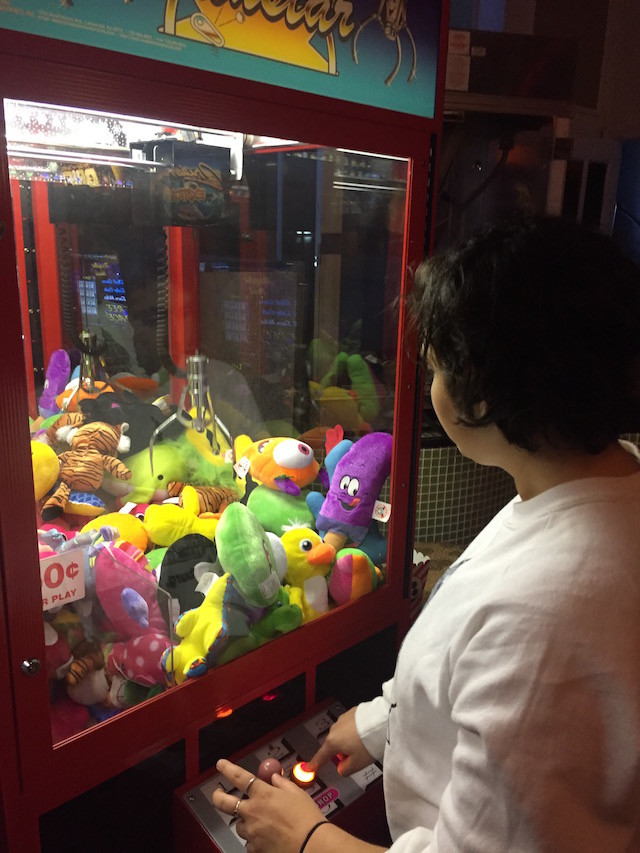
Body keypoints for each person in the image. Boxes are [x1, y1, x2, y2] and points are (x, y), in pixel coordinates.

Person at [212, 216, 640, 852]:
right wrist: (388, 722)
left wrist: (303, 838)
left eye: (436, 367)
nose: (427, 385)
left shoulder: (544, 613)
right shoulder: (600, 479)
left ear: (485, 395)